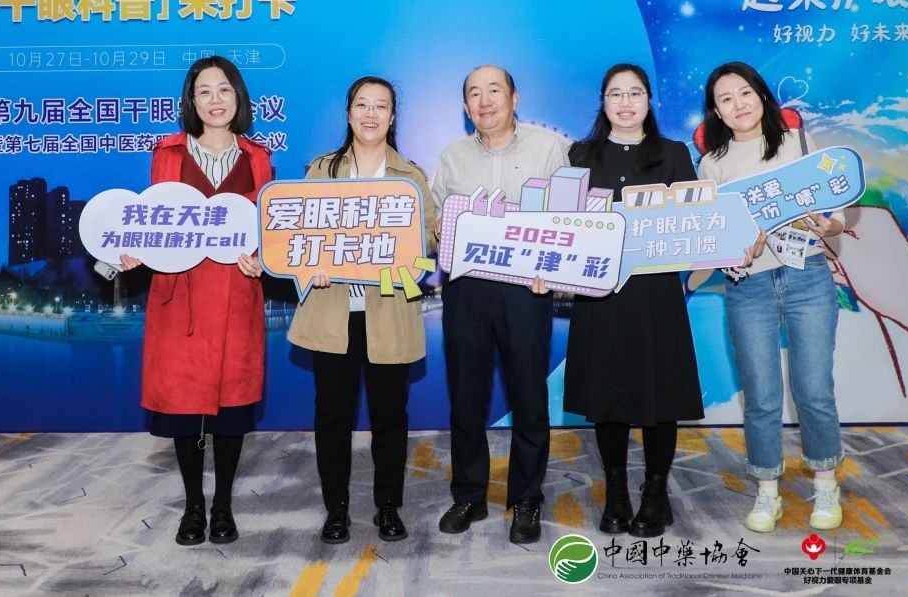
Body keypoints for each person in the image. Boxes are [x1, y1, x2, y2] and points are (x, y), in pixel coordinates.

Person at [118, 56, 273, 547]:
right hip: (179, 294)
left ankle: (223, 506)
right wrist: (134, 251)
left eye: (224, 89)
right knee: (184, 407)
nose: (214, 100)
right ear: (190, 101)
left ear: (238, 97)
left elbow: (266, 227)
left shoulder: (257, 157)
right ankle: (193, 507)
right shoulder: (167, 154)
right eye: (203, 91)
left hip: (235, 294)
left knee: (231, 408)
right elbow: (153, 221)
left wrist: (262, 260)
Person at [696, 61, 845, 533]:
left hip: (808, 278)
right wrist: (734, 254)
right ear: (716, 111)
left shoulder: (799, 143)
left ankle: (826, 484)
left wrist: (830, 226)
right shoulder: (712, 164)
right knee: (761, 395)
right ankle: (767, 491)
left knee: (813, 388)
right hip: (749, 288)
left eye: (745, 93)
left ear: (761, 95)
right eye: (725, 99)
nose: (737, 104)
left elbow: (835, 214)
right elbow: (713, 238)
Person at [287, 76, 436, 544]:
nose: (371, 114)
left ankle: (388, 507)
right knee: (332, 416)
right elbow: (298, 235)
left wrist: (410, 251)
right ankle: (336, 510)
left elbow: (429, 241)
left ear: (392, 117)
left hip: (388, 313)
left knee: (390, 417)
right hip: (333, 313)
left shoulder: (411, 177)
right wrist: (311, 265)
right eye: (362, 105)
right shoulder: (321, 170)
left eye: (381, 106)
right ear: (349, 113)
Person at [430, 64, 568, 545]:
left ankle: (526, 498)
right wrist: (441, 231)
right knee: (467, 398)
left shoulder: (549, 148)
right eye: (474, 93)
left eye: (494, 90)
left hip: (526, 290)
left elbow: (570, 217)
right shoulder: (452, 156)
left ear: (515, 98)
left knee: (529, 397)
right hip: (467, 289)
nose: (484, 100)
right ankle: (469, 494)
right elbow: (436, 225)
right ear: (465, 106)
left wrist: (554, 269)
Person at [565, 64, 704, 537]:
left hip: (656, 295)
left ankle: (656, 493)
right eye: (615, 94)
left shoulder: (673, 153)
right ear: (603, 102)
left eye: (635, 93)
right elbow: (566, 223)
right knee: (608, 396)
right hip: (600, 295)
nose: (625, 103)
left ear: (649, 99)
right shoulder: (580, 155)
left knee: (659, 396)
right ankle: (617, 492)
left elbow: (694, 222)